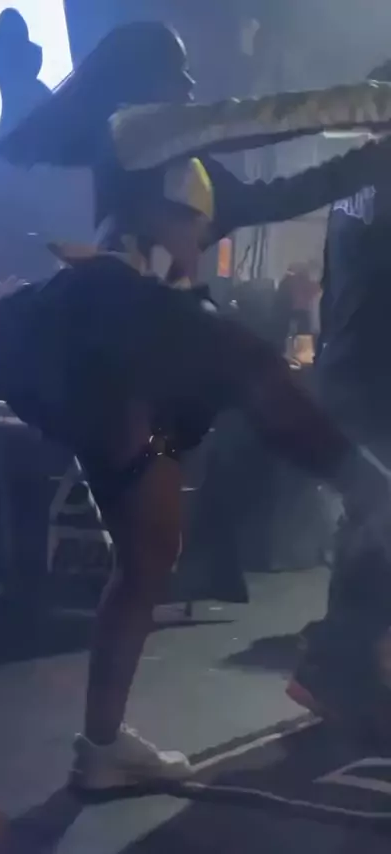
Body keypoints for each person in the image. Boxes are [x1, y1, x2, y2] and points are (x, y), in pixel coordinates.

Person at [0, 22, 391, 789]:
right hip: (117, 337)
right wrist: (375, 101)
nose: (191, 82)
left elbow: (287, 193)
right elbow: (257, 118)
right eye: (177, 68)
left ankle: (102, 748)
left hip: (154, 378)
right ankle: (369, 490)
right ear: (141, 73)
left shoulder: (201, 173)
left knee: (148, 556)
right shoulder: (133, 131)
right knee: (254, 371)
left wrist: (374, 154)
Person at [288, 60, 391, 739]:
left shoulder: (357, 182)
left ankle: (347, 673)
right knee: (377, 523)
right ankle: (333, 668)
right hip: (374, 379)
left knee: (371, 523)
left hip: (350, 372)